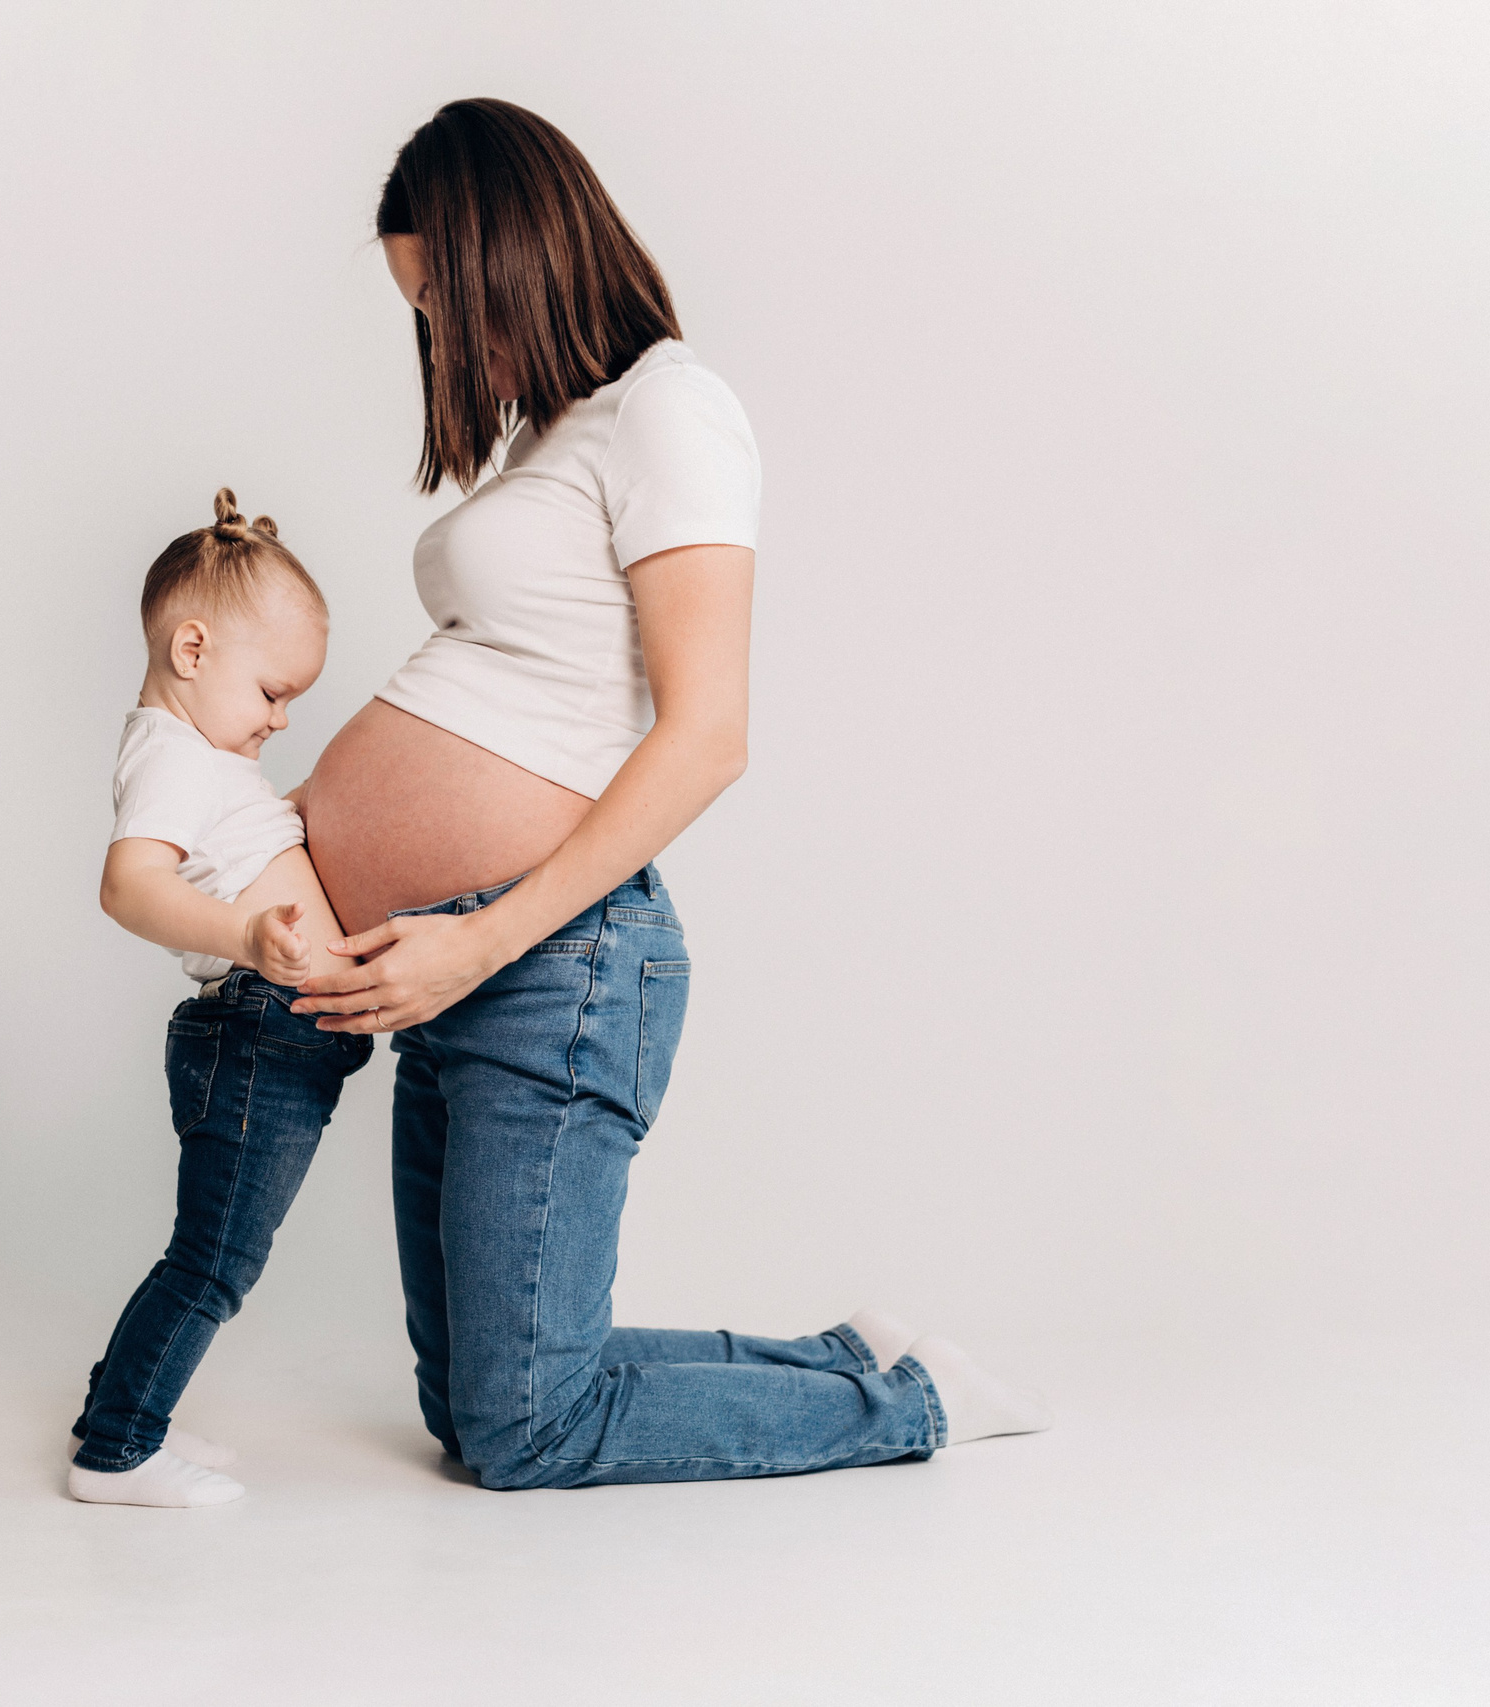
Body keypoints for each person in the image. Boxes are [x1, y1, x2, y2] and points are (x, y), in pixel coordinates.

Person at [289, 99, 1052, 1489]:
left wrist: (479, 934)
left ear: (517, 252)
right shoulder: (556, 435)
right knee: (479, 1407)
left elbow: (708, 736)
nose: (444, 343)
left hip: (551, 963)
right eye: (423, 316)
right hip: (460, 964)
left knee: (528, 1430)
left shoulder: (671, 409)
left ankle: (915, 1402)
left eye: (446, 304)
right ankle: (849, 1354)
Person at [67, 490, 374, 1508]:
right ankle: (117, 1450)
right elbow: (129, 887)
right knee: (215, 1258)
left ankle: (128, 1398)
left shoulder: (200, 759)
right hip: (256, 1034)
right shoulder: (167, 756)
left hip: (278, 1035)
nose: (282, 719)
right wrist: (246, 935)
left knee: (213, 1251)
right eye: (274, 693)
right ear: (191, 650)